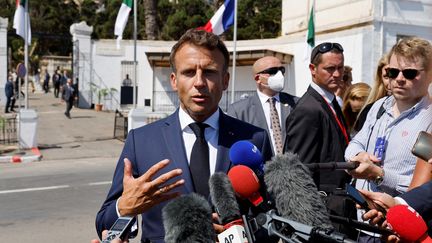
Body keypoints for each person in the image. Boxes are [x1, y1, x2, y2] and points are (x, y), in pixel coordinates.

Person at [95, 29, 273, 243]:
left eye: (209, 72)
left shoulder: (253, 139)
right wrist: (124, 207)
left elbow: (271, 219)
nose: (199, 82)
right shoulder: (141, 141)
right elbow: (105, 223)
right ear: (174, 80)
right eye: (189, 72)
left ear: (225, 80)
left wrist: (242, 233)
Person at [345, 37, 432, 242]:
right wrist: (358, 157)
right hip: (364, 223)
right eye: (393, 72)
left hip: (399, 231)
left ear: (429, 75)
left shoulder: (429, 117)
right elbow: (355, 143)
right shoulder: (379, 106)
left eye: (410, 73)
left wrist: (379, 174)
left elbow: (423, 187)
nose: (399, 79)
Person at [284, 42, 354, 236]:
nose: (337, 74)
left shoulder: (329, 100)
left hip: (337, 207)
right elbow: (300, 170)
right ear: (313, 69)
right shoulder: (308, 109)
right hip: (323, 215)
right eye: (330, 69)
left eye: (340, 68)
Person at [227, 56, 298, 155]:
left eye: (282, 70)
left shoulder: (297, 104)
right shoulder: (239, 110)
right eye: (273, 71)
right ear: (258, 78)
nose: (279, 75)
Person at [354, 54, 391, 132]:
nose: (391, 81)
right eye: (386, 77)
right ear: (380, 78)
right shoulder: (370, 111)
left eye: (394, 74)